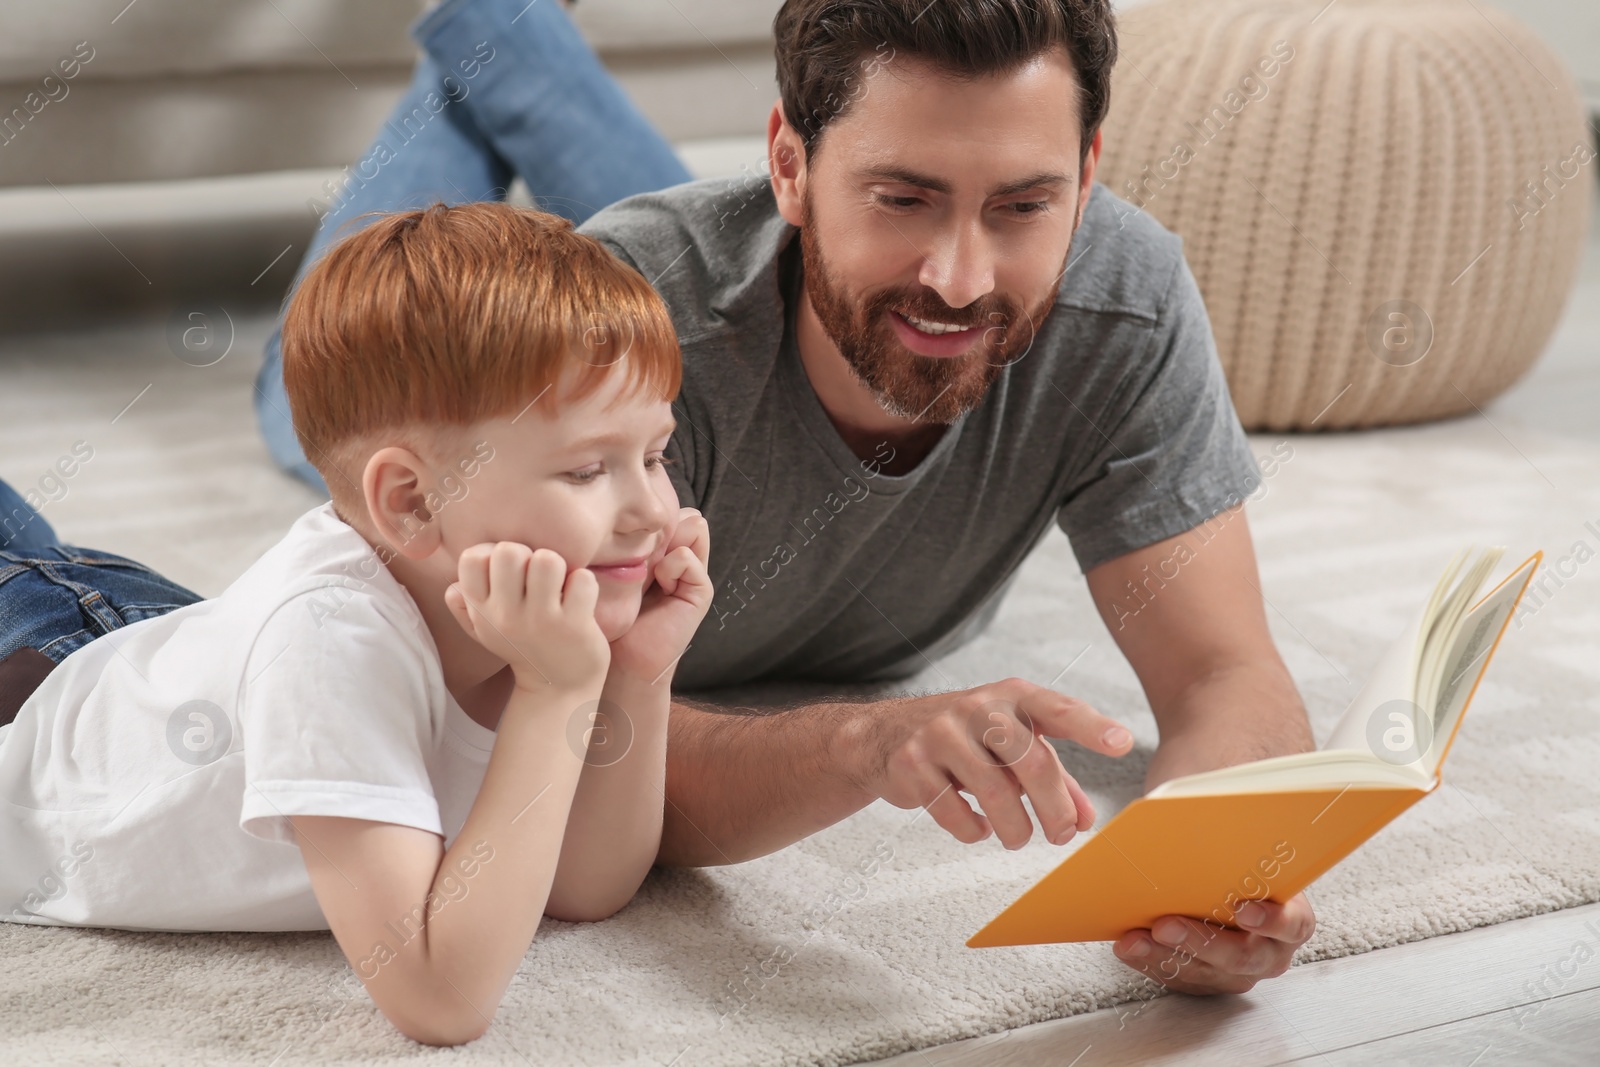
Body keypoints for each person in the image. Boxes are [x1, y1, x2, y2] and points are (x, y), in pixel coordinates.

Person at [91, 0, 1324, 994]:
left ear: (1088, 172)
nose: (961, 275)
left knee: (731, 258)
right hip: (522, 360)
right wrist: (863, 739)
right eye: (902, 196)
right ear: (787, 162)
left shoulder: (1121, 300)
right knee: (333, 355)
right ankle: (493, 25)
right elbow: (563, 752)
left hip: (733, 268)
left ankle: (515, 32)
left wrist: (1218, 866)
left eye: (1023, 204)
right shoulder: (601, 379)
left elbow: (1223, 668)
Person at [0, 202, 714, 1046]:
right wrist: (556, 692)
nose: (651, 510)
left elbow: (587, 886)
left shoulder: (530, 624)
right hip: (35, 686)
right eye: (590, 468)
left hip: (156, 640)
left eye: (656, 455)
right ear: (411, 504)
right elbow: (440, 995)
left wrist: (636, 669)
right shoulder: (327, 646)